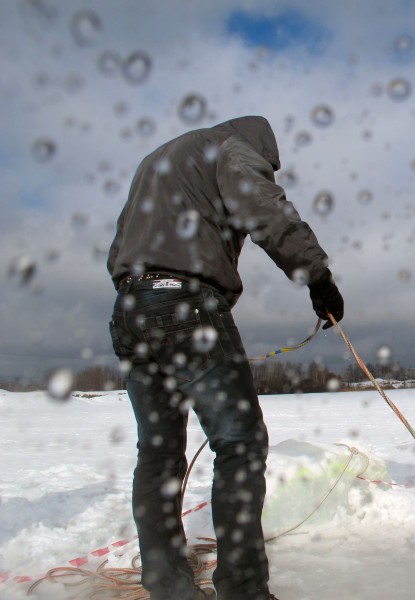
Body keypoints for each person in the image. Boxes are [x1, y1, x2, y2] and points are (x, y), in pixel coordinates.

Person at [107, 116, 344, 600]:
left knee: (157, 452)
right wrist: (318, 279)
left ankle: (169, 587)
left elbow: (121, 244)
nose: (268, 173)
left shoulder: (157, 160)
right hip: (186, 305)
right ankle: (244, 590)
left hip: (131, 309)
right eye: (269, 167)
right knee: (240, 442)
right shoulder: (232, 148)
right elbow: (267, 213)